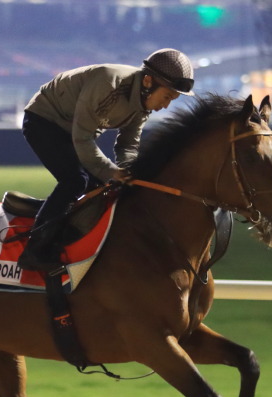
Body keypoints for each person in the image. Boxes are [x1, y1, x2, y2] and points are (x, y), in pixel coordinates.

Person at [18, 48, 195, 272]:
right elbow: (82, 139)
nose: (166, 105)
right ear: (148, 81)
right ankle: (34, 250)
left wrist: (131, 172)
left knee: (103, 189)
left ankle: (68, 241)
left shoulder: (143, 100)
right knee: (75, 181)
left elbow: (127, 145)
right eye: (167, 96)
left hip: (74, 131)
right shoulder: (108, 83)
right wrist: (112, 171)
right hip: (43, 121)